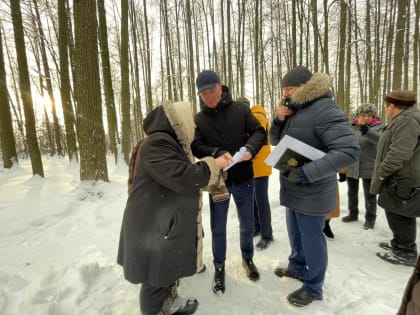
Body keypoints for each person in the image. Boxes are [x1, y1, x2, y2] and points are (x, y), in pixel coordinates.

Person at [117, 100, 229, 315]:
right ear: (179, 121)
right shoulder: (157, 143)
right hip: (153, 224)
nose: (195, 126)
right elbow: (183, 177)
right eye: (192, 121)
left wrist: (213, 170)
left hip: (163, 221)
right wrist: (214, 165)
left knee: (166, 270)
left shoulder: (169, 143)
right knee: (155, 277)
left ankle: (170, 304)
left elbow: (179, 176)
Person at [269, 65, 360, 307]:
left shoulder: (325, 109)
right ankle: (297, 267)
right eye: (284, 88)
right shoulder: (294, 110)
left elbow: (350, 151)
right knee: (295, 235)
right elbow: (274, 141)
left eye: (290, 88)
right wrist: (278, 119)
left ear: (306, 88)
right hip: (293, 187)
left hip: (313, 191)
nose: (285, 93)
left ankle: (313, 287)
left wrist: (307, 172)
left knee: (312, 240)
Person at [191, 70, 266, 295]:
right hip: (218, 182)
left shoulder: (241, 109)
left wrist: (250, 150)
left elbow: (259, 132)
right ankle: (219, 267)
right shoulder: (199, 119)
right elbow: (196, 146)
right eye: (203, 94)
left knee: (247, 223)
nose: (209, 97)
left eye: (212, 90)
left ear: (221, 86)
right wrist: (215, 152)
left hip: (244, 178)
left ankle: (248, 258)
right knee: (218, 227)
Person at [370, 90, 420, 267]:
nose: (386, 110)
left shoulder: (407, 121)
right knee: (395, 211)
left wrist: (383, 171)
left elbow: (400, 151)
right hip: (401, 175)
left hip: (403, 177)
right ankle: (398, 244)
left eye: (385, 106)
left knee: (401, 213)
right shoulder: (405, 119)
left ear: (392, 106)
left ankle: (406, 252)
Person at [341, 103, 385, 229]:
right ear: (358, 115)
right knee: (351, 192)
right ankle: (353, 214)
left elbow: (381, 141)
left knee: (370, 195)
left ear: (374, 116)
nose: (366, 118)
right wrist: (342, 169)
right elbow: (345, 146)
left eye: (369, 115)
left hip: (370, 166)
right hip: (352, 165)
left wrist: (367, 130)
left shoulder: (380, 127)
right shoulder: (350, 127)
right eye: (363, 115)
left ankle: (370, 219)